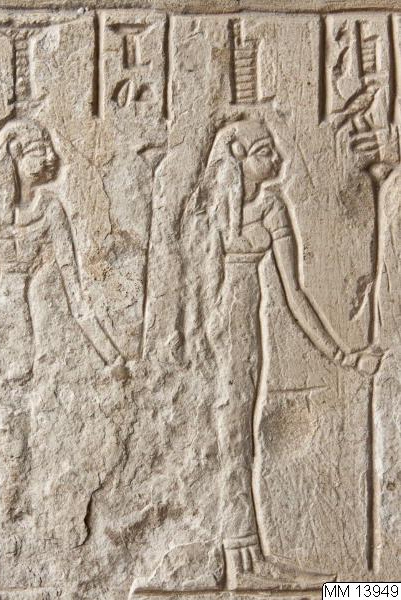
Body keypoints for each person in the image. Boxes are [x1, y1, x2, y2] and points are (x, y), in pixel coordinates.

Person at [181, 118, 378, 589]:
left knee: (239, 438)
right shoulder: (208, 209)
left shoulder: (270, 207)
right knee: (224, 438)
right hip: (208, 337)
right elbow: (187, 286)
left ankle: (244, 558)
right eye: (265, 152)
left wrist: (343, 355)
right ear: (238, 158)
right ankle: (234, 560)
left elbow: (294, 294)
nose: (278, 159)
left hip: (242, 338)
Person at [0, 118, 125, 384]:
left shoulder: (50, 209)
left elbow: (74, 289)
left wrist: (111, 356)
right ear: (16, 155)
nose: (51, 157)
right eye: (41, 150)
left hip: (45, 319)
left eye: (49, 149)